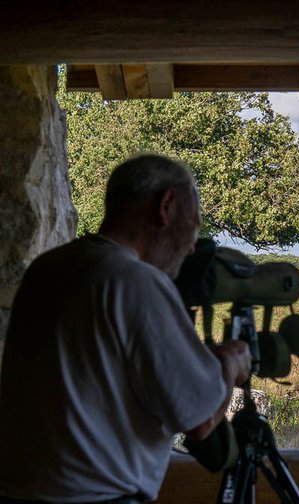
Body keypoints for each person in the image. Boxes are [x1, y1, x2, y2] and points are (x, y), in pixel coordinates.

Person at [0, 154, 251, 503]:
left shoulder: (48, 267)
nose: (194, 242)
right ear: (167, 204)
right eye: (195, 220)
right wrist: (230, 363)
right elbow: (201, 421)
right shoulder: (134, 280)